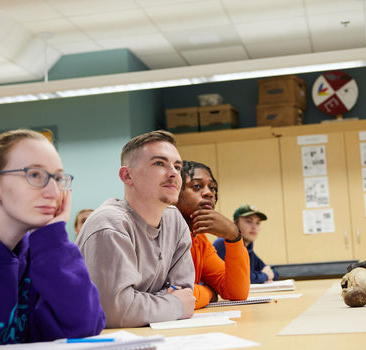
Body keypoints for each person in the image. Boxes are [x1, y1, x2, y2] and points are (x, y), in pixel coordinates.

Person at [0, 129, 105, 348]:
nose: (52, 191)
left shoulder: (40, 252)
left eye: (58, 178)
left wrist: (54, 239)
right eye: (34, 175)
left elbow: (83, 328)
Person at [76, 130, 195, 327]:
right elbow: (115, 313)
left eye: (177, 166)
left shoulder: (175, 221)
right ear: (127, 175)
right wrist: (172, 304)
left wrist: (139, 304)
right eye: (159, 163)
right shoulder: (110, 225)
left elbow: (185, 294)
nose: (173, 172)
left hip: (152, 335)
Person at [176, 160, 250, 309]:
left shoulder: (199, 238)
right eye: (197, 186)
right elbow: (174, 294)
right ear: (174, 192)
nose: (209, 193)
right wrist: (209, 292)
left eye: (212, 188)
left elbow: (236, 292)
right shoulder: (164, 233)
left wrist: (234, 237)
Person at [214, 204, 279, 284]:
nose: (254, 227)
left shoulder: (248, 248)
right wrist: (264, 275)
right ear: (235, 225)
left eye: (258, 223)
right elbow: (239, 279)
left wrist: (269, 273)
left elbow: (271, 270)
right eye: (248, 221)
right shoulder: (224, 243)